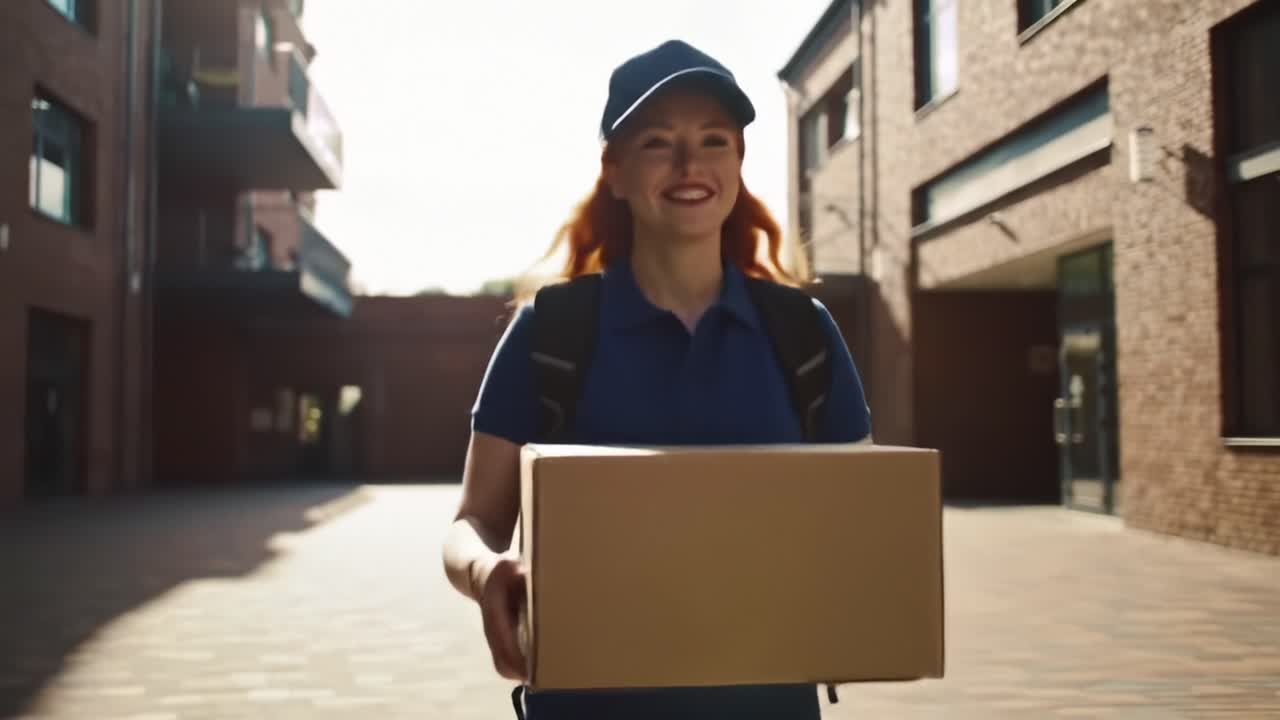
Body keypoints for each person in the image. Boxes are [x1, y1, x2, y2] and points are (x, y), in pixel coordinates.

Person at [442, 39, 873, 719]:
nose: (689, 164)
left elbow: (864, 521)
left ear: (738, 163)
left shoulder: (805, 335)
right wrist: (486, 569)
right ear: (613, 171)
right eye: (657, 143)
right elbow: (474, 523)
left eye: (713, 140)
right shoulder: (550, 334)